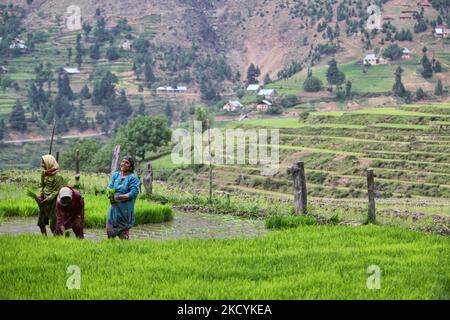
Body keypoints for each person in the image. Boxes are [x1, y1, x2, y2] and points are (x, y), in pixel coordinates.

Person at [106, 156, 140, 239]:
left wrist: (120, 196)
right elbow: (109, 188)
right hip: (113, 210)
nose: (123, 163)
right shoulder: (115, 175)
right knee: (110, 236)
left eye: (126, 162)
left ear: (131, 167)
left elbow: (133, 193)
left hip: (125, 211)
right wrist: (110, 196)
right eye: (123, 161)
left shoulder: (133, 178)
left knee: (124, 238)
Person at [35, 154, 66, 236]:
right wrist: (41, 194)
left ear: (49, 163)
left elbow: (58, 190)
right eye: (42, 163)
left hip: (54, 201)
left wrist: (48, 198)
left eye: (43, 163)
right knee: (41, 222)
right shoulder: (44, 173)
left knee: (53, 223)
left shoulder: (58, 176)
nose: (42, 165)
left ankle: (58, 239)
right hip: (43, 200)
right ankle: (44, 239)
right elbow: (41, 185)